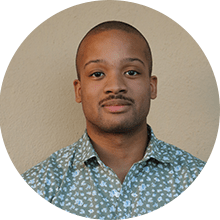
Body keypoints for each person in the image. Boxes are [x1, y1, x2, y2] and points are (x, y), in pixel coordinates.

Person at [21, 21, 206, 219]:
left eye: (131, 72)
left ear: (152, 86)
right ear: (79, 90)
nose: (115, 86)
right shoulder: (36, 188)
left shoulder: (199, 180)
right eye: (97, 73)